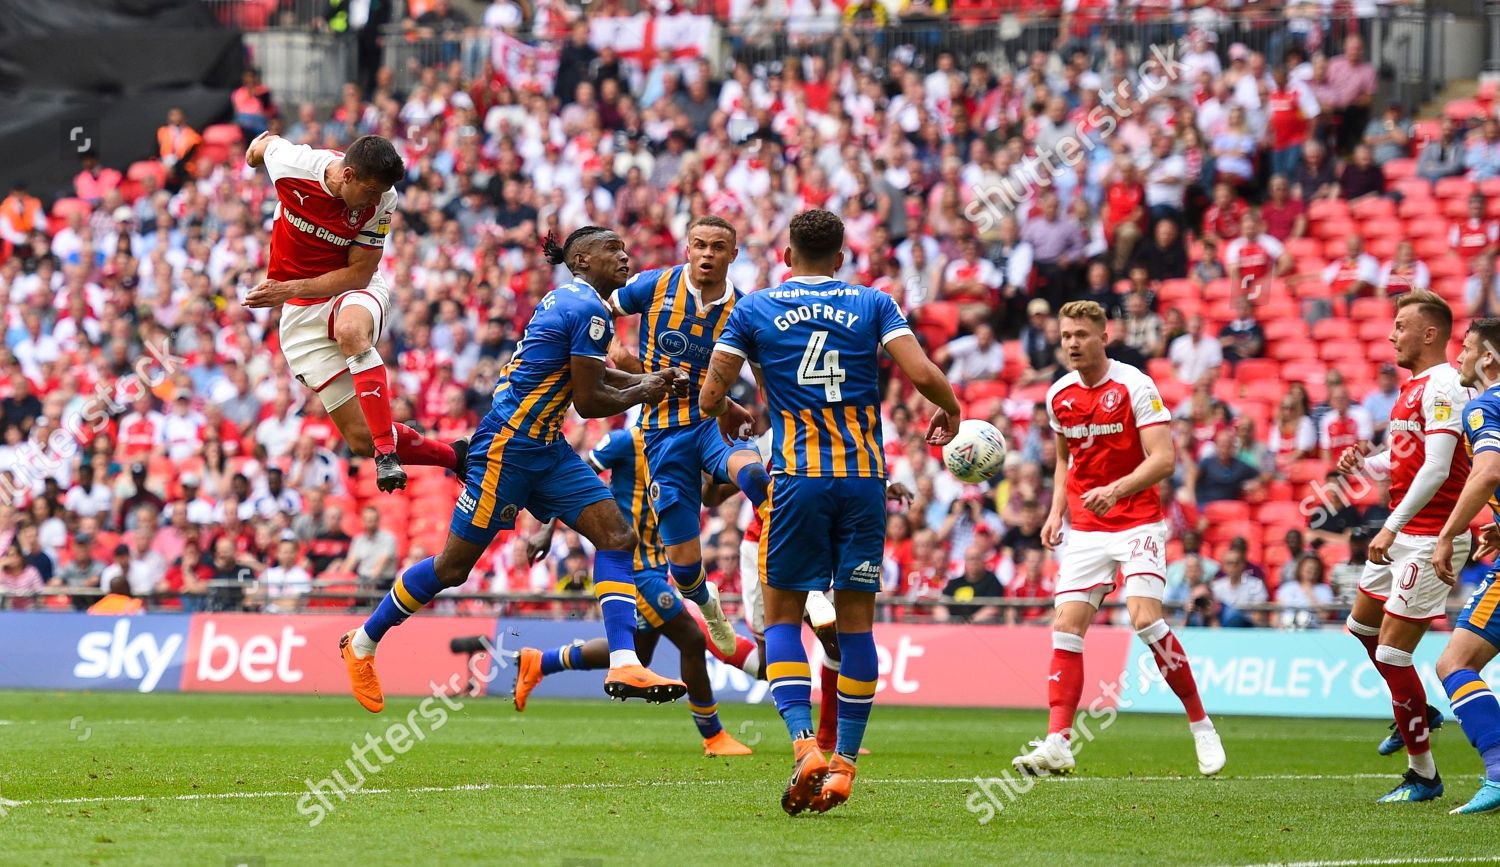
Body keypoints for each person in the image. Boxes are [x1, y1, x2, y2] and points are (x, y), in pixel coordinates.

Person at [339, 226, 690, 713]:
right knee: (453, 568)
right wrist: (643, 390)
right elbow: (589, 401)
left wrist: (643, 378)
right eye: (612, 249)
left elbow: (588, 374)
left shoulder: (571, 301)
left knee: (616, 536)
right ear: (583, 260)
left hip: (545, 447)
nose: (625, 256)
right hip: (507, 448)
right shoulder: (587, 309)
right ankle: (362, 641)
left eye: (624, 248)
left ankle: (624, 660)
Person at [699, 208, 962, 814]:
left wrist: (731, 413)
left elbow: (713, 394)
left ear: (786, 255)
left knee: (785, 621)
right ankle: (843, 763)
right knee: (856, 627)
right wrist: (950, 409)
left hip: (797, 480)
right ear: (841, 259)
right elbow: (920, 371)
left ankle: (803, 747)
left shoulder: (754, 309)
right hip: (864, 480)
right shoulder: (873, 304)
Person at [1012, 300, 1223, 778]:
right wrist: (1054, 512)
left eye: (1081, 335)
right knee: (1065, 628)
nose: (1071, 343)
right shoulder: (1058, 394)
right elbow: (1066, 461)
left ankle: (1201, 723)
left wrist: (1117, 489)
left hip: (1137, 520)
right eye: (1066, 335)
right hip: (1086, 527)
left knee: (1146, 620)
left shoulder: (1135, 385)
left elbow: (1164, 459)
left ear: (1103, 337)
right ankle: (1058, 742)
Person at [515, 424, 757, 756]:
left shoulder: (682, 439)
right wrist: (546, 531)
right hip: (635, 568)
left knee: (637, 654)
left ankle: (541, 662)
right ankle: (713, 735)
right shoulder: (624, 442)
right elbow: (571, 480)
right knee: (693, 639)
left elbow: (706, 493)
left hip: (660, 565)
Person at [243, 132, 459, 493]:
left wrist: (289, 288)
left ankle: (387, 454)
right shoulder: (292, 165)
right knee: (361, 439)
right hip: (300, 317)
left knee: (350, 331)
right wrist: (253, 156)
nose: (375, 199)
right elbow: (262, 147)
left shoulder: (384, 199)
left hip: (352, 290)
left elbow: (359, 273)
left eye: (380, 192)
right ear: (347, 176)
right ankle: (457, 458)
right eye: (370, 190)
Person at [605, 216, 768, 656]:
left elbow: (764, 375)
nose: (707, 254)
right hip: (661, 433)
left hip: (714, 421)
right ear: (687, 249)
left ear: (733, 255)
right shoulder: (655, 286)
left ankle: (798, 571)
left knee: (755, 477)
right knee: (685, 570)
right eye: (700, 245)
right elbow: (598, 307)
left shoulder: (747, 308)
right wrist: (611, 350)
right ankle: (709, 606)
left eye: (718, 247)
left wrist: (777, 412)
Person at [1333, 291, 1470, 803]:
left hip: (1432, 537)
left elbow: (1438, 468)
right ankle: (1416, 710)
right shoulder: (1412, 389)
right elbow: (1410, 460)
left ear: (1429, 334)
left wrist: (1388, 527)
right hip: (1406, 532)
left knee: (1392, 650)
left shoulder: (1444, 385)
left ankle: (1424, 775)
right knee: (1361, 626)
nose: (1392, 334)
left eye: (1400, 325)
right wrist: (1366, 463)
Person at [1431, 315, 1500, 813]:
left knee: (1455, 662)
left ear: (1489, 358)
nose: (1459, 356)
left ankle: (1499, 771)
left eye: (1467, 348)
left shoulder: (1484, 407)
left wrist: (1448, 532)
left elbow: (1488, 473)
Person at [937, 545, 1004, 623]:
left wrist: (970, 622)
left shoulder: (993, 582)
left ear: (983, 560)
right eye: (970, 559)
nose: (973, 562)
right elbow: (941, 606)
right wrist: (947, 621)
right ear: (965, 561)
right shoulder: (955, 583)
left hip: (981, 628)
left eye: (977, 558)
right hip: (953, 627)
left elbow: (993, 609)